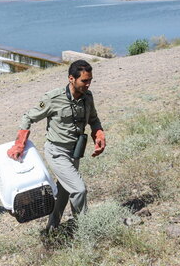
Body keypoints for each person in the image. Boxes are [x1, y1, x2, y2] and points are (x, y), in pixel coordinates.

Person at [7, 60, 106, 233]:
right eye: (84, 81)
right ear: (71, 79)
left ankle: (51, 228)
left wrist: (98, 134)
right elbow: (28, 117)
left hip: (75, 152)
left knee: (64, 191)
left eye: (90, 80)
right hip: (57, 152)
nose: (88, 84)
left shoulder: (87, 97)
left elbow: (94, 119)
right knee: (79, 189)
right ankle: (85, 231)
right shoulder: (53, 98)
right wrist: (19, 143)